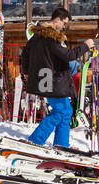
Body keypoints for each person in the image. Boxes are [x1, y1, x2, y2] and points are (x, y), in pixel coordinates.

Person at [21, 8, 94, 148]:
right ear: (57, 19)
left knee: (66, 111)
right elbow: (68, 55)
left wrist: (26, 72)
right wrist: (86, 45)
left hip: (46, 78)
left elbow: (25, 54)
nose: (64, 26)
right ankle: (36, 140)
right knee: (61, 110)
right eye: (64, 23)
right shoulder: (52, 37)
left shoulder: (38, 35)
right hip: (52, 79)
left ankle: (61, 143)